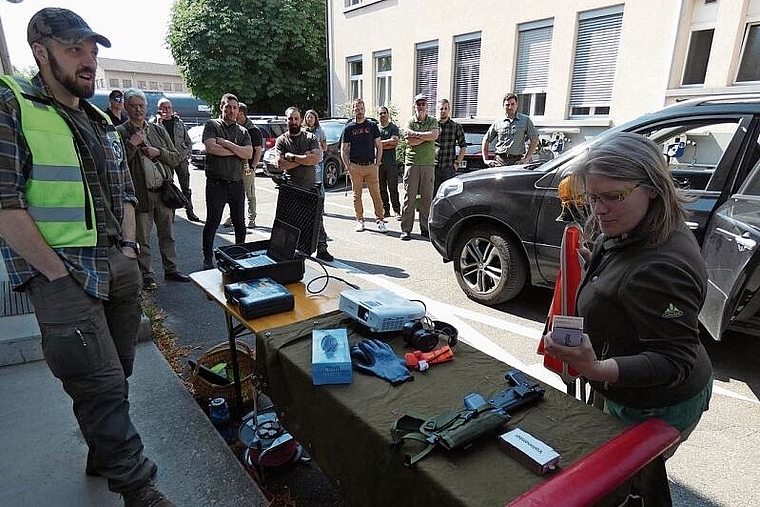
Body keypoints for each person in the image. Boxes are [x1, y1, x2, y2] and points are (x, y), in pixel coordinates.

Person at [0, 8, 175, 507]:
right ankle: (138, 487)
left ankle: (104, 450)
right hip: (60, 273)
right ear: (41, 51)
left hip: (113, 264)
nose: (88, 62)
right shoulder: (10, 105)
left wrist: (126, 248)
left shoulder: (98, 119)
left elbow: (123, 190)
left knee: (117, 374)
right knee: (97, 381)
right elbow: (4, 204)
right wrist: (54, 272)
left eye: (93, 52)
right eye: (75, 50)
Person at [543, 133, 713, 506]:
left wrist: (596, 368)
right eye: (593, 196)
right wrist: (601, 269)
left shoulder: (662, 265)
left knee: (628, 485)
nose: (599, 210)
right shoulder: (635, 223)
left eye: (612, 196)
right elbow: (630, 278)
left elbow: (675, 361)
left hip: (657, 403)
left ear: (652, 188)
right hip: (628, 390)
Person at [117, 89, 191, 290]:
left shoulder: (157, 130)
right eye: (133, 105)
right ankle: (147, 275)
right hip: (141, 194)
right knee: (142, 238)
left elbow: (176, 157)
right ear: (126, 107)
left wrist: (158, 152)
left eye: (141, 105)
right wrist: (132, 145)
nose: (138, 109)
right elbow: (117, 165)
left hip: (163, 192)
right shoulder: (121, 132)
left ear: (146, 107)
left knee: (167, 234)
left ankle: (171, 269)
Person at [275, 106, 334, 262]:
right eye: (290, 119)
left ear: (300, 120)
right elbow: (281, 164)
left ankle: (322, 249)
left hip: (309, 187)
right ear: (285, 120)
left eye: (296, 118)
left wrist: (293, 157)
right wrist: (304, 159)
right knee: (289, 223)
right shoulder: (281, 140)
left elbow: (316, 158)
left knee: (317, 221)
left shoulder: (310, 138)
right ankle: (289, 251)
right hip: (290, 189)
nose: (293, 121)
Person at [201, 93, 252, 270]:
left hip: (237, 184)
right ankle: (207, 258)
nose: (231, 110)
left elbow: (248, 154)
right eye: (227, 107)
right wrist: (238, 150)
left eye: (234, 107)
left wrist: (227, 144)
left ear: (238, 110)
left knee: (240, 222)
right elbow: (211, 148)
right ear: (221, 107)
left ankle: (239, 255)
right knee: (213, 222)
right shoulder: (212, 125)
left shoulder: (243, 131)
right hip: (217, 184)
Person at [341, 98, 387, 233]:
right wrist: (347, 166)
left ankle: (380, 220)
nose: (359, 111)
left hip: (370, 165)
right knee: (357, 196)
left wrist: (377, 163)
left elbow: (379, 145)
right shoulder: (349, 128)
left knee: (376, 195)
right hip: (355, 166)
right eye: (356, 108)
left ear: (364, 109)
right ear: (353, 110)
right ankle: (360, 220)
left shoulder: (372, 125)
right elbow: (343, 149)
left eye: (361, 108)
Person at [154, 97, 202, 222]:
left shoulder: (179, 123)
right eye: (164, 107)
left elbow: (188, 142)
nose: (167, 110)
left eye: (169, 107)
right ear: (158, 109)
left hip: (181, 160)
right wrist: (159, 122)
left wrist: (185, 155)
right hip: (165, 160)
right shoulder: (154, 124)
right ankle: (171, 213)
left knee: (186, 188)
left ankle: (190, 211)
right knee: (168, 187)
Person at [400, 93, 440, 241]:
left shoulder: (433, 121)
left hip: (428, 164)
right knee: (408, 198)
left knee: (426, 199)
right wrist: (424, 137)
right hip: (412, 163)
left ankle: (425, 228)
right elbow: (410, 142)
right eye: (418, 104)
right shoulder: (410, 121)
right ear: (414, 106)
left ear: (427, 106)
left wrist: (416, 134)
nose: (421, 106)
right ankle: (406, 229)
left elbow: (434, 135)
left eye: (423, 104)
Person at [222, 102, 262, 229]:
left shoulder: (253, 130)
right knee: (233, 194)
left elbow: (258, 150)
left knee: (249, 194)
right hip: (234, 167)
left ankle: (252, 219)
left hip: (247, 167)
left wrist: (253, 166)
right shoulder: (235, 128)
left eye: (236, 110)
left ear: (241, 113)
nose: (232, 112)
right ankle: (233, 217)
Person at [482, 92, 539, 167]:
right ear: (503, 106)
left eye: (512, 104)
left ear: (517, 105)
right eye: (507, 105)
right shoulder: (498, 122)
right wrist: (486, 160)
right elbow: (486, 140)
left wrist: (526, 159)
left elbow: (534, 140)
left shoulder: (525, 120)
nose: (510, 107)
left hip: (517, 161)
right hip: (500, 161)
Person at [434, 98, 466, 193]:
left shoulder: (456, 126)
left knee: (448, 194)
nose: (443, 111)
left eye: (445, 108)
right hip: (433, 166)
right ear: (437, 110)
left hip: (449, 167)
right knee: (432, 194)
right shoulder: (432, 126)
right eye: (441, 109)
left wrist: (457, 164)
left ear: (449, 110)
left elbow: (463, 146)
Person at [377, 105, 401, 218]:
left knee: (393, 188)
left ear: (388, 114)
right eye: (380, 113)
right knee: (382, 189)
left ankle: (397, 210)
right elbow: (374, 145)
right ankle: (385, 210)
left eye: (384, 113)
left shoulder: (393, 128)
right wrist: (387, 143)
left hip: (391, 163)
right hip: (379, 164)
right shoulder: (376, 128)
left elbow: (395, 142)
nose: (382, 115)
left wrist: (380, 144)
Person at [303, 109, 327, 190]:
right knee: (307, 185)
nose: (309, 119)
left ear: (315, 119)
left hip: (317, 162)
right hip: (305, 162)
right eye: (308, 117)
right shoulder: (303, 131)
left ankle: (320, 201)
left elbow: (325, 147)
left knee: (318, 184)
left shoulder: (319, 131)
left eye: (311, 117)